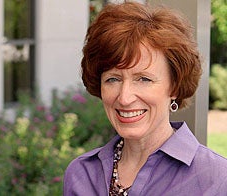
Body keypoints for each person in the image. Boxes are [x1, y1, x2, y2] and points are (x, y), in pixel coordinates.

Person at [64, 1, 227, 195]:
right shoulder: (81, 174)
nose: (124, 98)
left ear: (174, 86)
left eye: (143, 79)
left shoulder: (216, 179)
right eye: (113, 79)